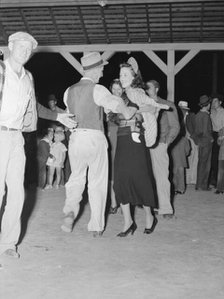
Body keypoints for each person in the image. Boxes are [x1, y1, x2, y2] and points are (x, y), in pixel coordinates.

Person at [0, 31, 76, 258]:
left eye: (28, 49)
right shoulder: (1, 71)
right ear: (10, 46)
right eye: (21, 46)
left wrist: (57, 116)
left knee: (17, 193)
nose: (25, 52)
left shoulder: (28, 77)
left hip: (17, 138)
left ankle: (8, 244)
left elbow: (35, 107)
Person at [61, 51, 134, 237]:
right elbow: (113, 103)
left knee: (76, 178)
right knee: (97, 183)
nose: (102, 72)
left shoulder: (68, 91)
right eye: (101, 68)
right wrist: (126, 110)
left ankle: (70, 211)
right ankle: (96, 226)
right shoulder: (98, 89)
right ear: (93, 70)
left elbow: (68, 116)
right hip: (94, 138)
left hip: (76, 139)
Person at [113, 60, 168, 237]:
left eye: (125, 75)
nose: (122, 78)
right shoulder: (119, 95)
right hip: (122, 138)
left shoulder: (138, 92)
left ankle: (149, 216)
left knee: (141, 177)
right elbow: (114, 116)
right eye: (120, 75)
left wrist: (135, 111)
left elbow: (151, 109)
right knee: (121, 178)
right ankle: (128, 221)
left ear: (134, 77)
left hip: (136, 139)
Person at [145, 80, 180, 219]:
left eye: (149, 87)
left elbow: (175, 126)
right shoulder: (144, 105)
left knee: (162, 177)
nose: (147, 90)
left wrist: (167, 142)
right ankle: (153, 205)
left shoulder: (167, 105)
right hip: (145, 145)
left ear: (157, 89)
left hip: (160, 143)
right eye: (145, 88)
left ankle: (165, 209)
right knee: (148, 177)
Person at [107, 79, 122, 214]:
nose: (116, 92)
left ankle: (124, 203)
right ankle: (113, 203)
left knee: (123, 172)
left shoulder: (127, 103)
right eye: (114, 89)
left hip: (123, 138)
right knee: (111, 173)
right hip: (111, 139)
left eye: (119, 89)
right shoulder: (106, 103)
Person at [171, 101, 191, 194]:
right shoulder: (184, 140)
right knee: (180, 172)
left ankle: (175, 188)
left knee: (175, 172)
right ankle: (181, 189)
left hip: (175, 157)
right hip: (181, 157)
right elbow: (187, 151)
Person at [194, 95, 213, 191]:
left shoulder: (197, 115)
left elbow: (197, 131)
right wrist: (211, 138)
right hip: (206, 142)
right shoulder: (205, 115)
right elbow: (206, 131)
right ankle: (203, 185)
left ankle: (198, 184)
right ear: (208, 104)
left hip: (200, 141)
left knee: (201, 163)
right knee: (206, 164)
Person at [209, 94, 224, 194]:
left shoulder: (223, 112)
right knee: (214, 159)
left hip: (222, 134)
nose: (213, 103)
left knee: (221, 160)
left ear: (220, 102)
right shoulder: (211, 112)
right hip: (214, 134)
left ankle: (220, 185)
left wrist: (222, 135)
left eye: (215, 101)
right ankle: (215, 181)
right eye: (212, 102)